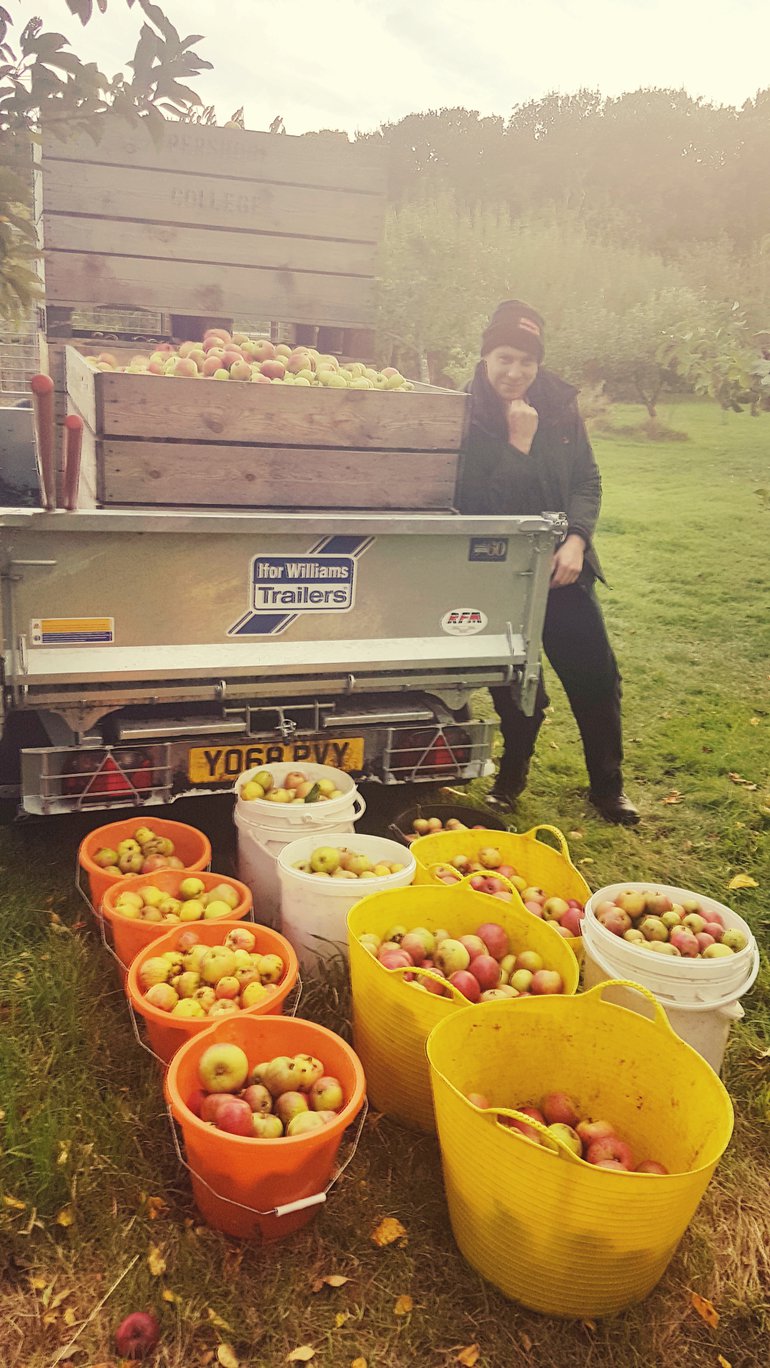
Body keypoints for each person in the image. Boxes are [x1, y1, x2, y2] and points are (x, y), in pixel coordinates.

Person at [457, 299, 639, 824]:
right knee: (516, 686)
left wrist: (577, 539)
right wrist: (519, 442)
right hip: (497, 572)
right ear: (486, 357)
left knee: (596, 678)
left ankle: (607, 788)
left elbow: (587, 479)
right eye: (504, 359)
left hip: (562, 569)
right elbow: (478, 506)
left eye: (527, 361)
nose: (515, 372)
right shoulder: (464, 412)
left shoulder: (561, 405)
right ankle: (510, 781)